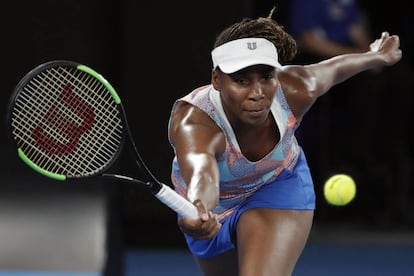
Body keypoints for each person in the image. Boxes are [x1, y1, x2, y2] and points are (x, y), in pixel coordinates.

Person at [167, 7, 402, 276]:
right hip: (214, 206)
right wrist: (198, 208)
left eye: (266, 77)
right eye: (241, 80)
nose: (257, 93)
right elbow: (202, 175)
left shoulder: (296, 88)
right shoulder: (196, 123)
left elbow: (334, 69)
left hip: (277, 185)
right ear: (217, 80)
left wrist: (377, 56)